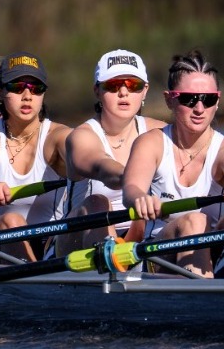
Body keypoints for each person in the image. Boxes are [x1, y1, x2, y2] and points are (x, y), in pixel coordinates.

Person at [122, 49, 224, 276]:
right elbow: (131, 189)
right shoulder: (151, 143)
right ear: (169, 99)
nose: (199, 108)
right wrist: (140, 198)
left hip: (212, 249)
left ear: (217, 101)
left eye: (208, 99)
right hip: (158, 254)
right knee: (194, 221)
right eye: (188, 99)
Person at [59, 49, 164, 252]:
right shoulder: (81, 137)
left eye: (133, 85)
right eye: (113, 85)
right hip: (77, 242)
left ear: (145, 90)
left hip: (140, 234)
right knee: (97, 203)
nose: (123, 92)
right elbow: (101, 166)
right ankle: (111, 258)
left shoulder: (160, 132)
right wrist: (134, 183)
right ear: (97, 91)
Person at [0, 52, 69, 260]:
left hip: (50, 243)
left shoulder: (59, 135)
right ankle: (35, 277)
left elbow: (87, 158)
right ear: (0, 91)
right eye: (17, 87)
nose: (28, 96)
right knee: (11, 221)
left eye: (36, 88)